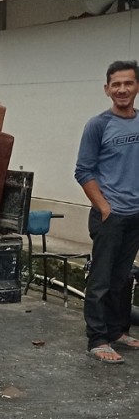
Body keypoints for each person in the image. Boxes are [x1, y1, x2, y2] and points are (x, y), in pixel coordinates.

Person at [75, 59, 139, 364]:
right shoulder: (98, 125)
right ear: (107, 89)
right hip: (109, 216)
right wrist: (104, 207)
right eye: (116, 84)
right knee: (100, 280)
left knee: (123, 277)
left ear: (137, 86)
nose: (122, 89)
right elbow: (83, 171)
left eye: (128, 83)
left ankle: (116, 332)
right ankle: (97, 339)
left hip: (135, 216)